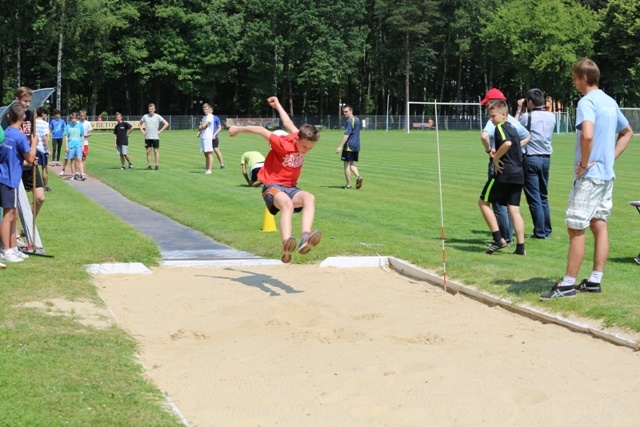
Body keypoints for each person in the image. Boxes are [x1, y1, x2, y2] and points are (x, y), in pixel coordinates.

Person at [540, 59, 633, 300]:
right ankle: (594, 281)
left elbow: (588, 134)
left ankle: (568, 284)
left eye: (574, 77)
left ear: (583, 77)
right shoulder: (610, 101)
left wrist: (584, 163)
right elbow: (628, 132)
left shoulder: (587, 102)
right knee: (598, 224)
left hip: (590, 176)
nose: (573, 82)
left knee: (575, 226)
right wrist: (609, 158)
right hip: (606, 177)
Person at [228, 96, 321, 263]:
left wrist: (278, 104)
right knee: (287, 204)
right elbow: (261, 130)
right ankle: (286, 243)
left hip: (291, 187)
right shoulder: (282, 144)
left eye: (310, 148)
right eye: (305, 147)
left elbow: (287, 122)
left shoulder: (297, 134)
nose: (306, 151)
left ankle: (305, 238)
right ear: (298, 139)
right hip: (272, 187)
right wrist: (236, 129)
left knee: (309, 198)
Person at [480, 88, 530, 246]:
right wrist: (515, 149)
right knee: (514, 209)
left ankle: (500, 238)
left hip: (503, 171)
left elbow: (488, 137)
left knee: (489, 203)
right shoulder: (514, 124)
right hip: (518, 171)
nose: (491, 118)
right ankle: (520, 246)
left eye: (492, 114)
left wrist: (494, 156)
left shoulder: (498, 125)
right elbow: (526, 136)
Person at [515, 88, 556, 239]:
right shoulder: (552, 117)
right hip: (546, 158)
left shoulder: (527, 117)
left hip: (531, 158)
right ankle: (547, 229)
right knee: (543, 196)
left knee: (534, 198)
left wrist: (519, 108)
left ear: (530, 102)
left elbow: (513, 126)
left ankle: (539, 232)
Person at [0, 104, 37, 264]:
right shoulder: (20, 137)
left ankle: (13, 248)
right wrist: (34, 143)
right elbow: (30, 159)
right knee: (8, 216)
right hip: (10, 178)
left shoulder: (6, 133)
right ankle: (6, 249)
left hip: (5, 176)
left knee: (13, 214)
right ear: (23, 119)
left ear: (9, 117)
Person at [15, 87, 46, 218]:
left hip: (30, 161)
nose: (27, 104)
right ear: (17, 100)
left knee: (40, 198)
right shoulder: (9, 116)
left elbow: (32, 137)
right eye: (24, 101)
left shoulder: (31, 114)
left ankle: (26, 226)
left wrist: (34, 154)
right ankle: (14, 233)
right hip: (16, 163)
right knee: (15, 204)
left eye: (29, 101)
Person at [335, 104, 363, 189]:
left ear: (351, 111)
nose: (345, 113)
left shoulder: (350, 121)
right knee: (351, 164)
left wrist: (340, 146)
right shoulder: (357, 119)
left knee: (346, 165)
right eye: (344, 112)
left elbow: (347, 135)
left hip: (349, 145)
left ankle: (348, 184)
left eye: (346, 111)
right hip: (356, 145)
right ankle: (358, 177)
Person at [138, 103, 169, 170]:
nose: (151, 110)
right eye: (150, 109)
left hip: (155, 137)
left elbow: (166, 124)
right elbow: (139, 124)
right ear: (148, 109)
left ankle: (156, 166)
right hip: (147, 137)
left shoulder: (158, 116)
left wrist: (160, 131)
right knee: (148, 151)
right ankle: (149, 166)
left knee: (156, 151)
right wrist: (142, 131)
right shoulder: (145, 116)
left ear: (154, 109)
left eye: (152, 109)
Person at [62, 112, 85, 181]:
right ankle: (73, 174)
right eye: (72, 118)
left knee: (79, 159)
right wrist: (66, 146)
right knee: (72, 160)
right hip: (71, 145)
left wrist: (82, 145)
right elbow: (66, 136)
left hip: (78, 145)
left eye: (75, 118)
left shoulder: (80, 126)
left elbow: (82, 136)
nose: (73, 120)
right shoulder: (68, 126)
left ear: (77, 119)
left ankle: (82, 174)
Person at [35, 108, 51, 191]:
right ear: (43, 114)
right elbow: (45, 138)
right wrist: (48, 149)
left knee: (34, 168)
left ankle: (34, 185)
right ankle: (45, 186)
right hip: (42, 148)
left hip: (34, 147)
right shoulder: (45, 124)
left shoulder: (33, 122)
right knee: (44, 168)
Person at [197, 103, 215, 174]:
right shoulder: (204, 117)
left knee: (209, 153)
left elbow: (203, 125)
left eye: (206, 109)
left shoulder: (210, 116)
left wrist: (201, 126)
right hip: (203, 136)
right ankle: (206, 168)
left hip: (208, 137)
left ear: (209, 109)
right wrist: (201, 128)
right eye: (204, 109)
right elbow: (201, 127)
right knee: (205, 154)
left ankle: (209, 170)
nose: (205, 110)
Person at [79, 109, 92, 180]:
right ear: (79, 116)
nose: (82, 117)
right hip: (77, 142)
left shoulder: (88, 123)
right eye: (81, 116)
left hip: (85, 143)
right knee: (77, 158)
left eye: (84, 116)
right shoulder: (77, 123)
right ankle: (78, 172)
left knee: (83, 158)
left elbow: (90, 133)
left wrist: (84, 135)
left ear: (85, 116)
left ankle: (82, 172)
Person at [211, 105, 225, 169]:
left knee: (216, 149)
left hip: (214, 137)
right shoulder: (205, 118)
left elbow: (219, 128)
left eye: (210, 110)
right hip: (207, 138)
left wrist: (214, 135)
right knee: (208, 152)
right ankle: (209, 166)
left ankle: (222, 164)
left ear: (212, 110)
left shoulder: (215, 118)